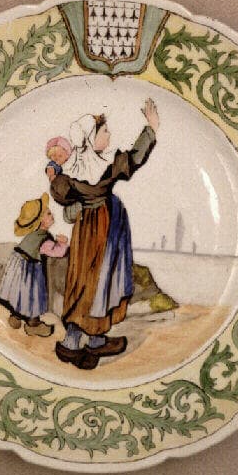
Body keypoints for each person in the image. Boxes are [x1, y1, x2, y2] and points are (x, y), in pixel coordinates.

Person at [49, 98, 159, 369]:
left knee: (84, 282)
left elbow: (62, 195)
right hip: (104, 229)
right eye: (104, 131)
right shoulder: (101, 165)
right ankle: (81, 343)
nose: (109, 136)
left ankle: (83, 342)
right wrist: (151, 129)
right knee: (101, 281)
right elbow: (134, 158)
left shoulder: (75, 169)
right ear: (91, 137)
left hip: (88, 229)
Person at [0, 193, 69, 337]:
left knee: (18, 294)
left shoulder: (32, 235)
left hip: (17, 267)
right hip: (29, 271)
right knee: (32, 297)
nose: (52, 215)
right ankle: (33, 324)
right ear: (40, 221)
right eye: (48, 213)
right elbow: (57, 252)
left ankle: (15, 317)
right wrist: (63, 243)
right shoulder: (44, 239)